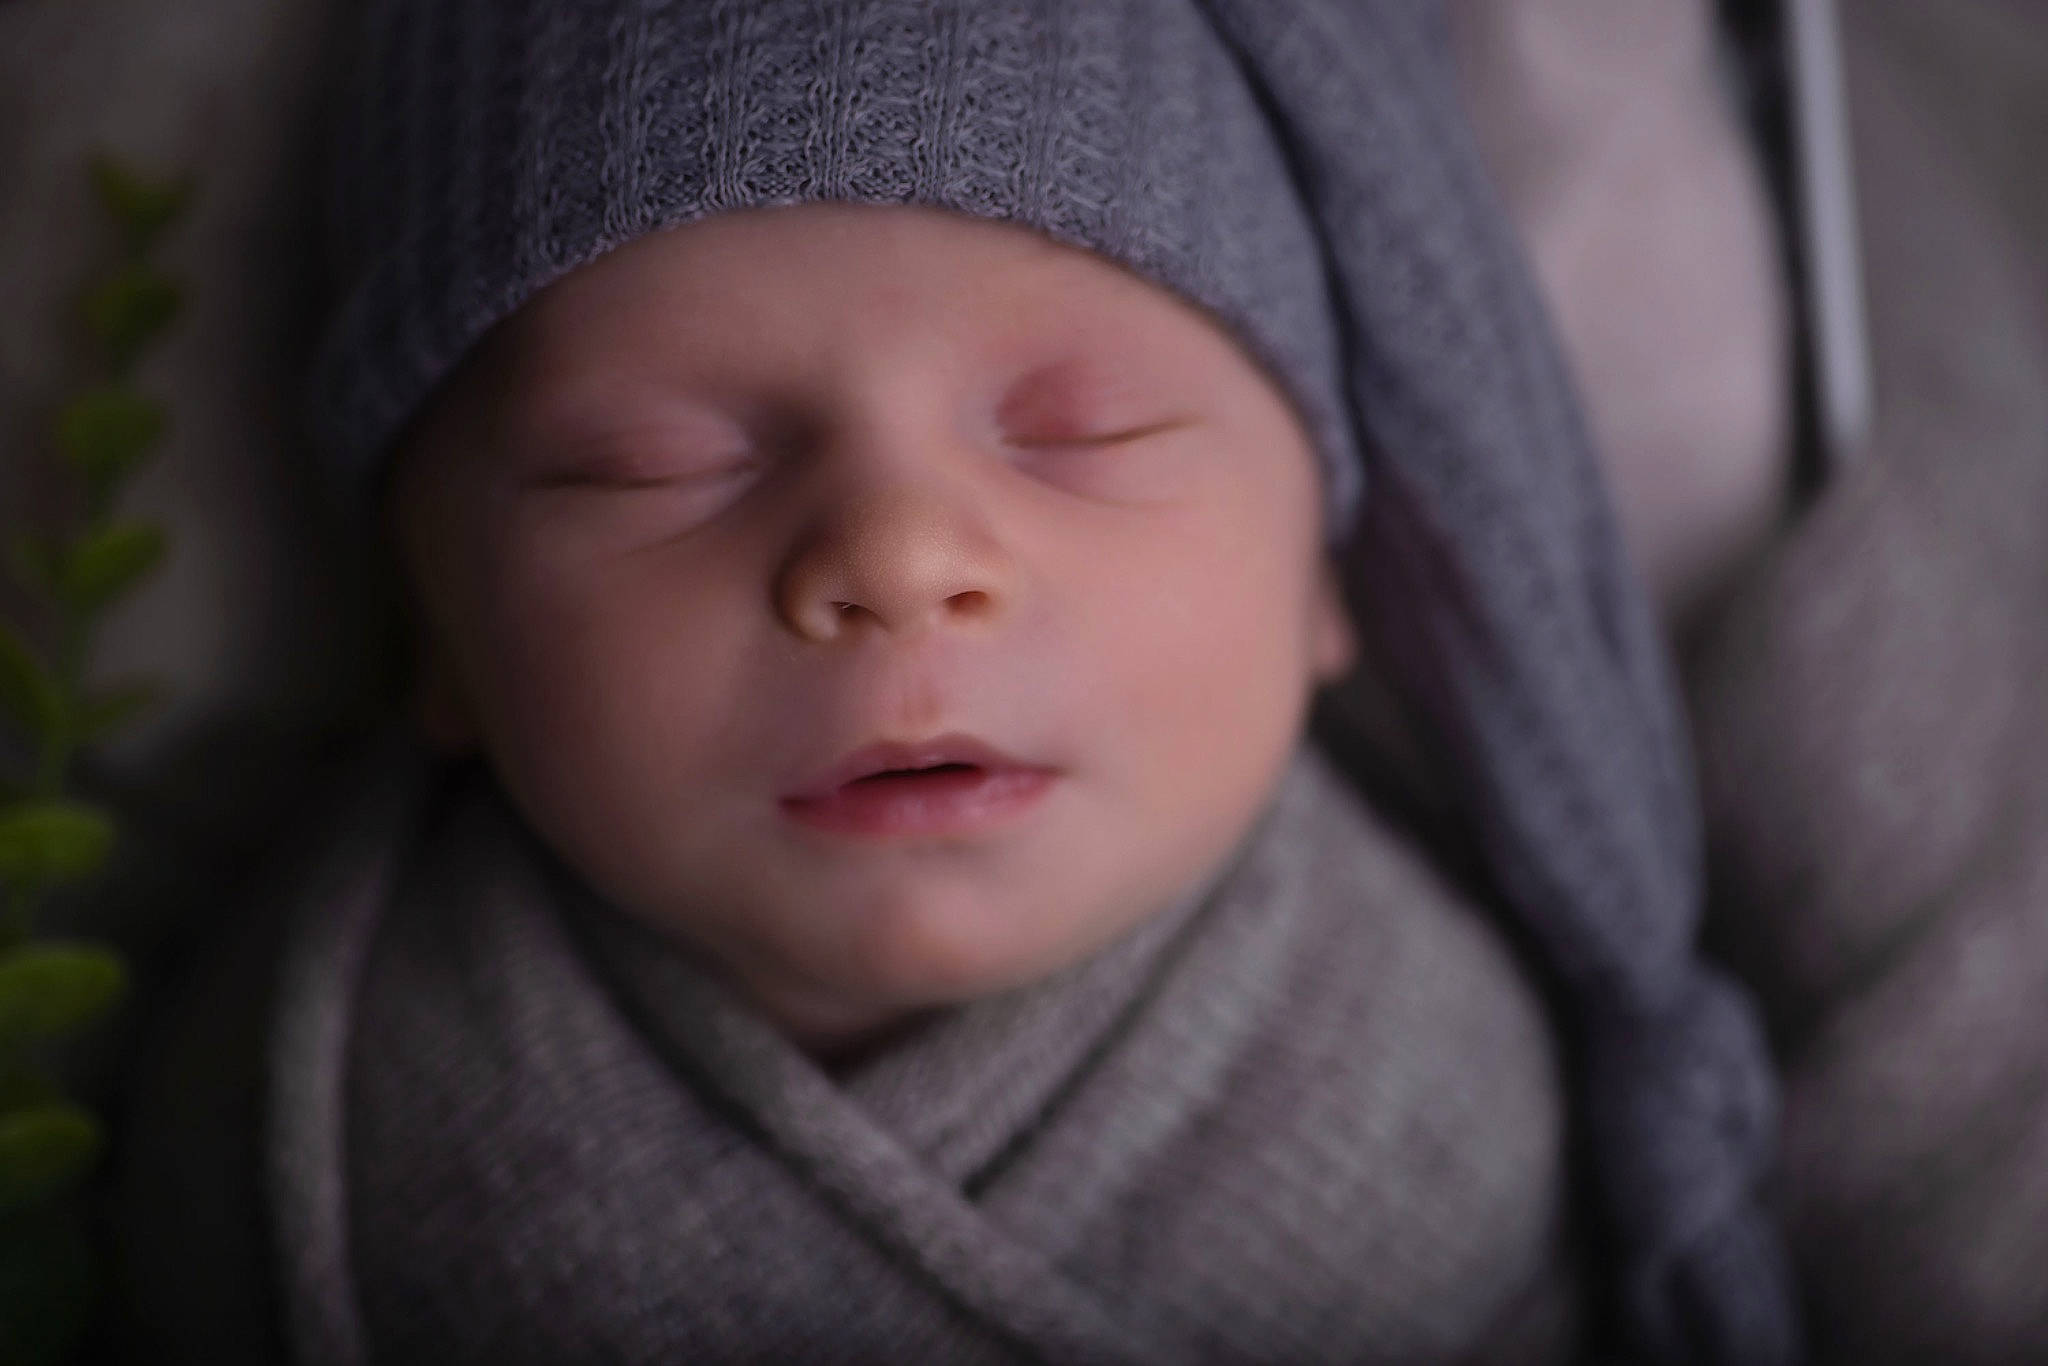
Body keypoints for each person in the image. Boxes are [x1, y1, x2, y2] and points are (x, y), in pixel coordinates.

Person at [114, 2, 1799, 1362]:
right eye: (652, 464)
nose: (901, 553)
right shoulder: (290, 1126)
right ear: (443, 635)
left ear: (1326, 579)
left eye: (1084, 430)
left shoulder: (1456, 1114)